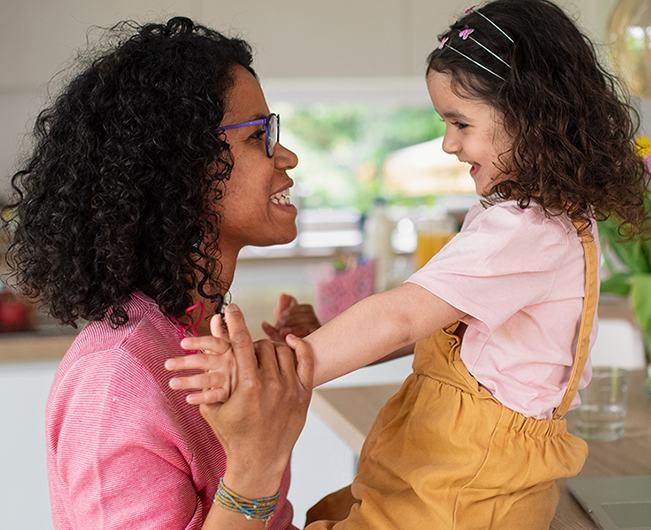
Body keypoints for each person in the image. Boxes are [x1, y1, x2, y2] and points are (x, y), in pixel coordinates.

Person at [166, 1, 649, 528]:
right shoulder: (544, 221)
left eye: (460, 122)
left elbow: (399, 316)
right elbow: (429, 325)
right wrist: (321, 338)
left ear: (532, 114)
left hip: (464, 490)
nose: (448, 143)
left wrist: (262, 366)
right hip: (461, 477)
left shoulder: (526, 230)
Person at [1, 17, 318, 530]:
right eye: (259, 134)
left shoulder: (201, 328)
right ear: (183, 165)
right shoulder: (114, 379)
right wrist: (256, 458)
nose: (287, 155)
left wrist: (280, 384)